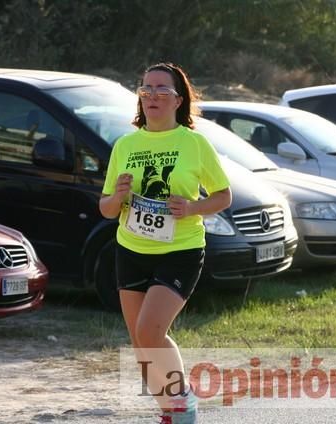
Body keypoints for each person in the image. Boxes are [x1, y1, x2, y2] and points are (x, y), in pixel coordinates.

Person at [99, 62, 232, 423]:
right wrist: (119, 196)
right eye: (145, 89)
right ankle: (169, 413)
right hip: (131, 249)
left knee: (150, 331)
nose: (152, 96)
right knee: (141, 345)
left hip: (180, 250)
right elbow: (107, 208)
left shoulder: (193, 143)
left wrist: (192, 207)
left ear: (178, 100)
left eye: (161, 90)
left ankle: (183, 403)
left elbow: (223, 196)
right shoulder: (125, 145)